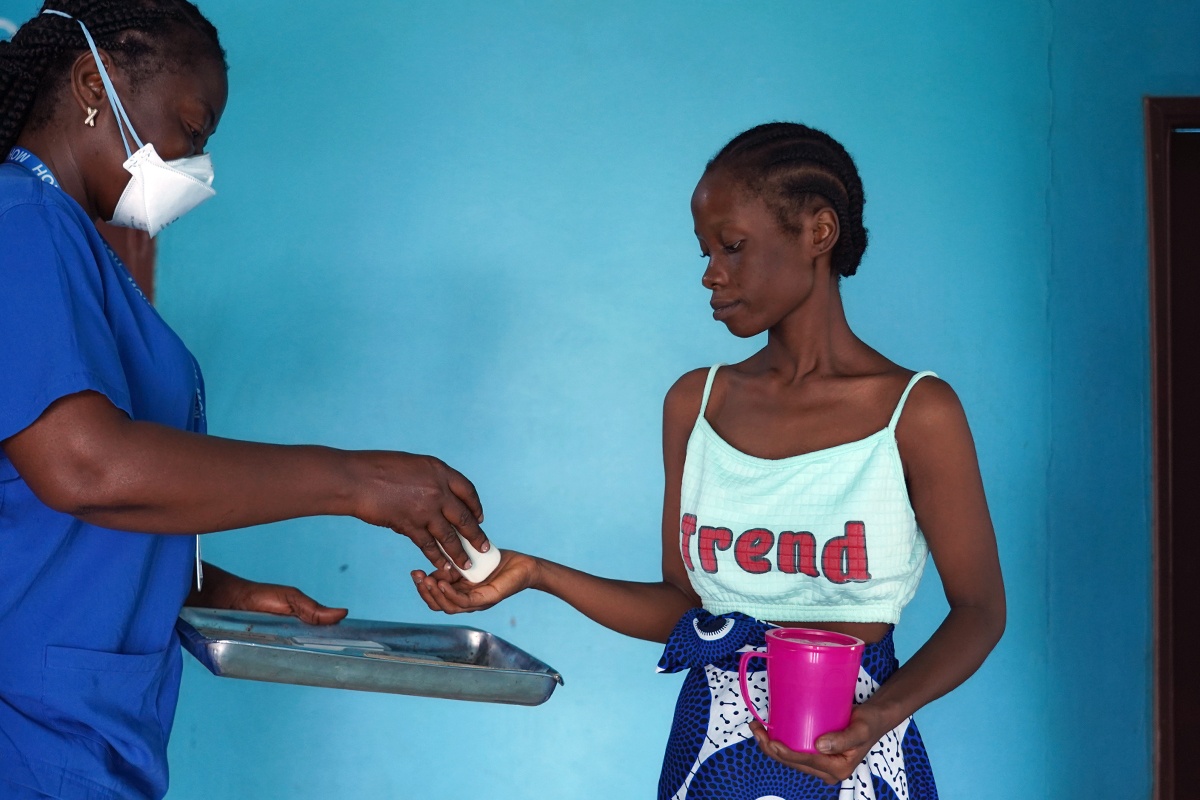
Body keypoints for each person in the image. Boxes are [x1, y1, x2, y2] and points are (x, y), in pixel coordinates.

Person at [414, 122, 1006, 799]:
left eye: (732, 247)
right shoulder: (696, 405)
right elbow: (688, 609)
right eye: (705, 251)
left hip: (856, 750)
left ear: (818, 232)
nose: (710, 274)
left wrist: (877, 718)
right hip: (710, 751)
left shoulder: (917, 412)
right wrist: (536, 574)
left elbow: (980, 611)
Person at [0, 3, 492, 798]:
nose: (197, 164)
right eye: (191, 132)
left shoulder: (65, 239)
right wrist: (354, 481)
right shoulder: (19, 223)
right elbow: (82, 465)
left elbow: (30, 508)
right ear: (94, 83)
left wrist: (199, 584)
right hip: (30, 724)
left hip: (82, 719)